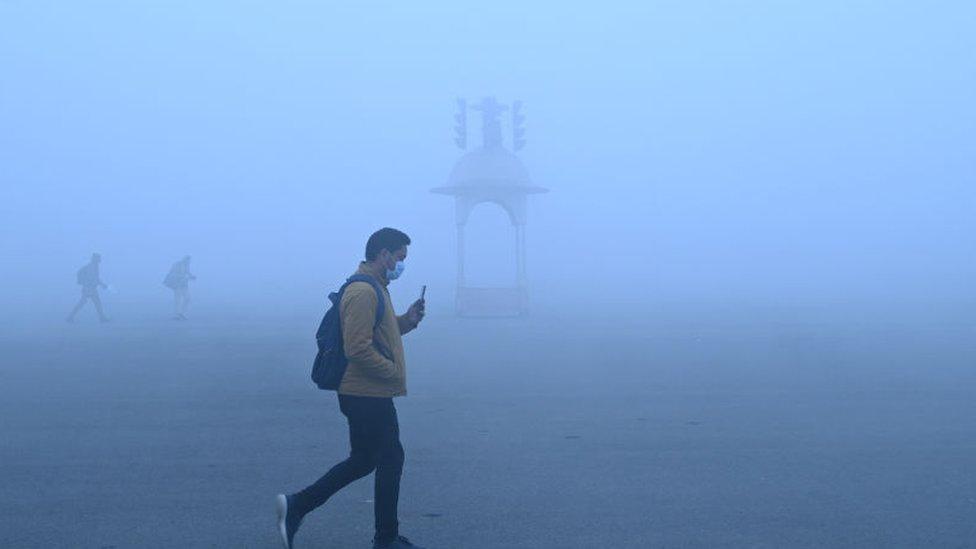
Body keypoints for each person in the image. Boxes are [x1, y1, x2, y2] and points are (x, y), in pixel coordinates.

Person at [276, 228, 427, 549]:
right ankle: (386, 539)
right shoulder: (363, 292)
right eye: (400, 258)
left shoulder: (377, 287)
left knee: (364, 459)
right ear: (383, 254)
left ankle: (297, 505)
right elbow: (357, 348)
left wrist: (407, 321)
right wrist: (391, 373)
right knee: (391, 458)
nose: (402, 265)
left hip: (365, 392)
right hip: (366, 393)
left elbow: (380, 335)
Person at [66, 253, 109, 323]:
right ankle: (70, 317)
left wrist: (101, 284)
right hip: (89, 288)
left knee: (90, 303)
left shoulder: (94, 266)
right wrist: (102, 284)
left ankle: (70, 317)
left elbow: (95, 278)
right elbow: (94, 278)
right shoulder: (91, 267)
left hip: (89, 288)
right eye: (99, 258)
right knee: (92, 302)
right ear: (95, 259)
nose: (100, 260)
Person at [163, 255, 196, 320]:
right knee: (178, 300)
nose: (189, 262)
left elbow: (187, 272)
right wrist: (183, 277)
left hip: (184, 284)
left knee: (187, 298)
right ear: (184, 259)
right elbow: (173, 273)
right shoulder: (177, 265)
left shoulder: (187, 265)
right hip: (177, 284)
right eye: (188, 260)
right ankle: (177, 314)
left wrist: (191, 276)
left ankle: (182, 313)